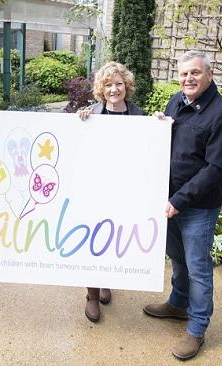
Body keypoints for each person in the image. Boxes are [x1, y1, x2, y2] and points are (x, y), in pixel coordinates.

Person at [143, 50, 222, 360]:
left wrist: (178, 200)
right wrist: (160, 126)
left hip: (196, 206)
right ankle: (178, 304)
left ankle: (197, 329)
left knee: (197, 267)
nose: (188, 79)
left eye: (195, 73)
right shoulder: (177, 101)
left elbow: (215, 169)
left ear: (209, 75)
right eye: (184, 74)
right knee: (179, 258)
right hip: (169, 200)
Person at [77, 61, 145, 322]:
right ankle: (92, 295)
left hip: (125, 190)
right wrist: (80, 123)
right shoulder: (90, 116)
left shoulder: (141, 117)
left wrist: (159, 125)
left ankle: (107, 281)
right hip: (94, 190)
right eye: (108, 85)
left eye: (118, 84)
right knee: (93, 240)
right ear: (101, 90)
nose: (114, 89)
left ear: (126, 87)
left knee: (114, 238)